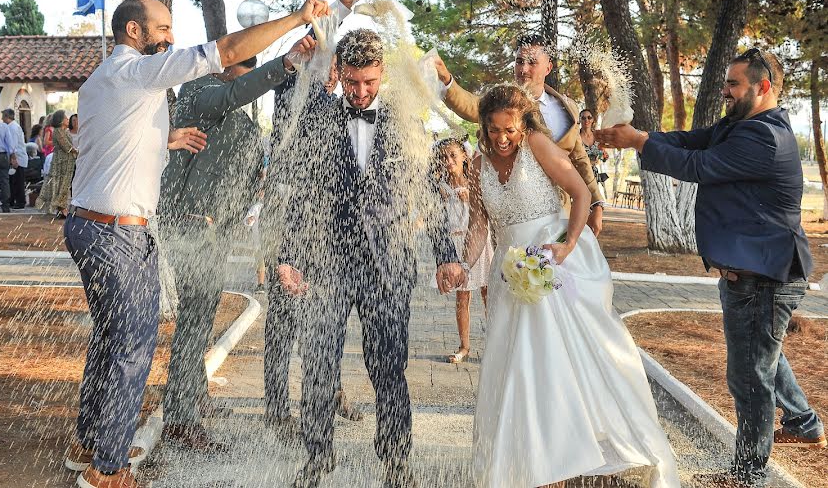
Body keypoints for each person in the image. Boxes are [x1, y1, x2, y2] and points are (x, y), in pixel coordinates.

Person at [61, 0, 330, 488]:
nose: (171, 37)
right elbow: (224, 50)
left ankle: (91, 441)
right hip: (117, 231)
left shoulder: (107, 80)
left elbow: (108, 141)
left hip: (95, 224)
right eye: (162, 28)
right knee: (132, 346)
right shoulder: (139, 71)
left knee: (109, 338)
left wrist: (167, 140)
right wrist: (298, 20)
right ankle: (108, 467)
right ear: (135, 33)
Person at [596, 49, 825, 488]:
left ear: (762, 88)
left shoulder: (764, 137)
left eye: (733, 84)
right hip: (754, 273)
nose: (724, 91)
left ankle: (748, 476)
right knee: (764, 357)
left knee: (749, 376)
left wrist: (640, 143)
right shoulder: (741, 126)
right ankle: (803, 422)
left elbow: (697, 166)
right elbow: (690, 142)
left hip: (762, 277)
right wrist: (639, 135)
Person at [453, 84, 679, 488]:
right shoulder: (476, 166)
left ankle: (568, 452)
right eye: (493, 131)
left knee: (551, 361)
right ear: (483, 129)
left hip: (549, 267)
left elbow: (578, 192)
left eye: (510, 130)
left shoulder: (538, 146)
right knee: (514, 369)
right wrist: (461, 265)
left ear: (523, 127)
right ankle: (526, 460)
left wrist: (567, 244)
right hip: (509, 275)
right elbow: (478, 226)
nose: (502, 139)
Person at [280, 29, 465, 488]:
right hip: (328, 262)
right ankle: (318, 458)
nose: (360, 93)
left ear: (381, 74)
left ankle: (397, 465)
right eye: (352, 82)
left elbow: (427, 191)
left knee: (388, 368)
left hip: (389, 264)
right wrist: (289, 255)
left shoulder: (406, 120)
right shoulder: (316, 117)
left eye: (369, 83)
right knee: (319, 364)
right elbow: (302, 191)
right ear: (339, 72)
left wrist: (446, 254)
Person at [157, 34, 317, 451]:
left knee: (200, 320)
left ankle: (192, 398)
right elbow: (234, 93)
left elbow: (245, 180)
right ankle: (180, 419)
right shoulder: (199, 92)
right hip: (186, 228)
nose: (248, 89)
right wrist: (285, 63)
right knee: (193, 323)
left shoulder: (244, 125)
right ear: (227, 70)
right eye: (245, 77)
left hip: (214, 236)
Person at [262, 0, 370, 444]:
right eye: (323, 63)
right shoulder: (290, 94)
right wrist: (341, 7)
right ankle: (273, 406)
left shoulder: (336, 103)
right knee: (283, 321)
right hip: (288, 219)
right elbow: (312, 48)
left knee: (323, 318)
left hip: (326, 227)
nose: (329, 73)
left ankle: (331, 391)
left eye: (334, 69)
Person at [432, 35, 606, 235]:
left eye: (532, 63)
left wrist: (597, 203)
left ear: (548, 68)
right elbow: (472, 105)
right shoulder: (501, 103)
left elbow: (579, 158)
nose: (523, 69)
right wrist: (447, 80)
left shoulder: (568, 109)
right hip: (517, 223)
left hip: (560, 217)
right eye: (519, 61)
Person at [434, 137, 491, 364]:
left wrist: (472, 198)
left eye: (452, 156)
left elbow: (486, 214)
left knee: (488, 294)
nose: (448, 161)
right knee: (462, 297)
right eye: (443, 158)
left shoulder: (474, 182)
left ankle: (494, 343)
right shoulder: (440, 187)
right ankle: (464, 346)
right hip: (456, 245)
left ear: (464, 157)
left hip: (477, 244)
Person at [36, 109, 77, 218]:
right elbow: (66, 146)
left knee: (64, 185)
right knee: (61, 185)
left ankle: (62, 208)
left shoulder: (64, 131)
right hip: (61, 161)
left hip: (66, 161)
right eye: (65, 118)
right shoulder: (58, 131)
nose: (67, 119)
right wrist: (78, 151)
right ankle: (62, 209)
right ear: (60, 120)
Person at [578, 108, 609, 195]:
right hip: (580, 174)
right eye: (583, 118)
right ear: (579, 120)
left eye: (589, 117)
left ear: (593, 119)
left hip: (594, 176)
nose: (586, 120)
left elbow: (604, 156)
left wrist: (604, 156)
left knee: (595, 204)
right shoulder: (576, 137)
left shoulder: (598, 136)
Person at [3, 108, 29, 209]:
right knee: (12, 181)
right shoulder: (11, 126)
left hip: (17, 158)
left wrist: (13, 159)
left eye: (3, 116)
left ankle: (20, 202)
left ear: (7, 116)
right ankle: (11, 200)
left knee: (18, 182)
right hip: (16, 157)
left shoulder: (12, 127)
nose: (2, 118)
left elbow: (12, 145)